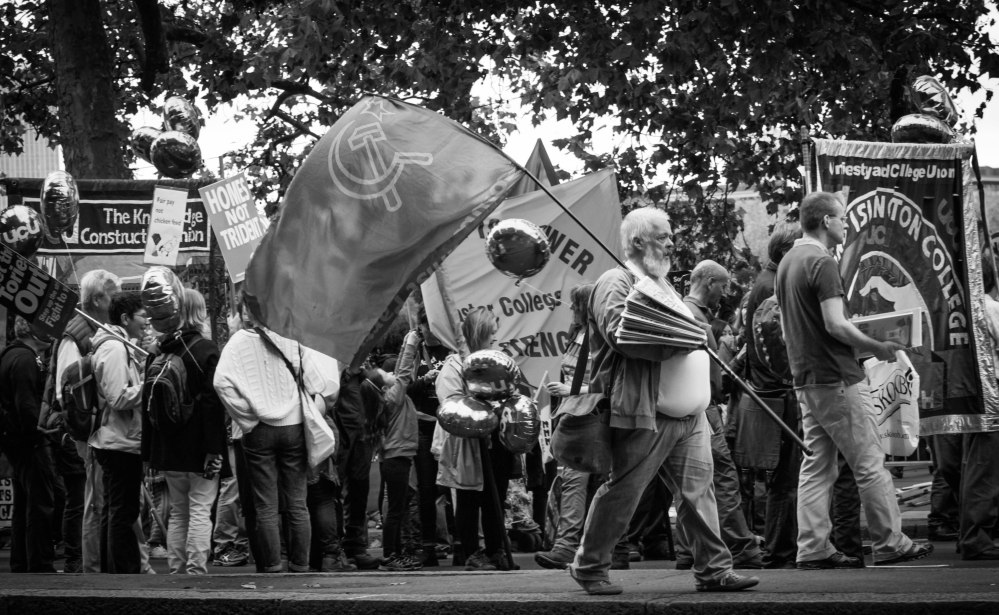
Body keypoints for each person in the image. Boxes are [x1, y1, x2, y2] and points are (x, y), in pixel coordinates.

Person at [569, 207, 759, 595]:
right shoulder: (615, 281)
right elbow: (621, 334)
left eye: (671, 236)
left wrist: (695, 334)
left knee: (699, 492)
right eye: (663, 236)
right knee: (624, 491)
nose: (672, 242)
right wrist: (686, 336)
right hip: (647, 412)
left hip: (689, 414)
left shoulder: (662, 285)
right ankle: (589, 566)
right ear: (638, 241)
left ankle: (714, 569)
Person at [774, 191, 932, 567]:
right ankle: (890, 542)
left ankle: (812, 547)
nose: (846, 225)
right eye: (842, 218)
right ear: (826, 221)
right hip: (837, 377)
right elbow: (834, 324)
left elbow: (790, 328)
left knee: (817, 465)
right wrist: (876, 345)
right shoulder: (821, 262)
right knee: (869, 461)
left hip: (806, 378)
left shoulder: (787, 262)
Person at [213, 302, 339, 573]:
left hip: (258, 430)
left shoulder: (237, 343)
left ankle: (272, 565)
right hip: (294, 426)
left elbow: (220, 382)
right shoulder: (292, 338)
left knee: (265, 504)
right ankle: (300, 563)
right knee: (297, 501)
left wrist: (247, 417)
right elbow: (318, 383)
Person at [680, 260, 763, 570]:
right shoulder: (692, 315)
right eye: (723, 285)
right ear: (708, 282)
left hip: (699, 403)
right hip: (703, 405)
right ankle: (741, 547)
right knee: (723, 476)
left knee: (692, 480)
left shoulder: (693, 313)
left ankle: (689, 550)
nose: (726, 292)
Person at [141, 282, 227, 575]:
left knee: (179, 512)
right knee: (201, 508)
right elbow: (212, 405)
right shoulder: (206, 350)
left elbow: (146, 405)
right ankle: (196, 571)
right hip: (201, 447)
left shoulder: (158, 352)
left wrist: (148, 453)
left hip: (168, 447)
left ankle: (177, 571)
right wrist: (214, 449)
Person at [44, 268, 121, 573]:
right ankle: (86, 564)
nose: (118, 302)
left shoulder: (100, 328)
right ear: (98, 300)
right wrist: (83, 428)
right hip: (85, 432)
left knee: (98, 499)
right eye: (114, 296)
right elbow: (66, 391)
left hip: (97, 429)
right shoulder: (75, 334)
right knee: (89, 501)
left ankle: (99, 560)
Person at [434, 307, 519, 571]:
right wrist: (479, 405)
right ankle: (471, 552)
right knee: (469, 499)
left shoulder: (498, 362)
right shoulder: (455, 365)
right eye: (491, 332)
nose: (495, 337)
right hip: (468, 441)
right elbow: (449, 402)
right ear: (479, 333)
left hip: (496, 440)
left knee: (496, 496)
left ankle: (495, 550)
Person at [534, 283, 601, 570]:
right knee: (578, 481)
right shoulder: (579, 334)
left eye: (575, 304)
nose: (571, 308)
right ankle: (587, 547)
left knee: (577, 480)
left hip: (590, 415)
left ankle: (568, 546)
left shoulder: (599, 337)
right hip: (574, 414)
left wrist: (570, 389)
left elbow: (607, 383)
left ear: (586, 307)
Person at [89, 292, 147, 573]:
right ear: (126, 318)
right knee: (123, 512)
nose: (147, 321)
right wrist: (150, 384)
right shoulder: (114, 348)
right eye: (143, 316)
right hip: (118, 441)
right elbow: (118, 397)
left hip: (119, 439)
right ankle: (125, 575)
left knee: (115, 510)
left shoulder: (120, 346)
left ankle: (111, 572)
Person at [0, 317, 57, 572]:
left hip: (14, 439)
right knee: (41, 502)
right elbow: (26, 404)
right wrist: (39, 431)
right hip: (28, 440)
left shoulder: (11, 355)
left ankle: (21, 562)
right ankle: (40, 564)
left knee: (24, 502)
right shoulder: (25, 359)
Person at [958, 255, 999, 560]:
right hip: (991, 395)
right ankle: (976, 536)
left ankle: (973, 533)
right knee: (985, 469)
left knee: (976, 467)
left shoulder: (962, 310)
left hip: (972, 396)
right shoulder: (988, 307)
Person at [372, 331, 421, 571]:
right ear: (384, 384)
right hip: (396, 457)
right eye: (387, 374)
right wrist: (410, 342)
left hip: (396, 456)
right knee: (395, 510)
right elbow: (403, 371)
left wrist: (408, 344)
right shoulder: (393, 397)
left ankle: (396, 554)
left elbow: (402, 372)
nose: (392, 374)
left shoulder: (394, 398)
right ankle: (390, 555)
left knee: (398, 508)